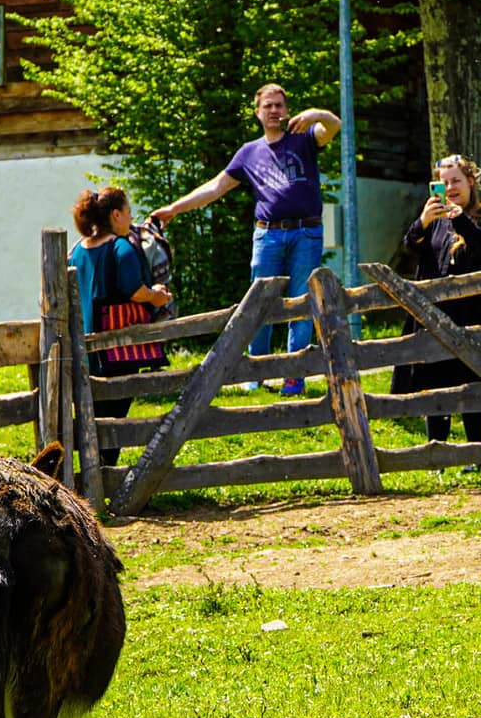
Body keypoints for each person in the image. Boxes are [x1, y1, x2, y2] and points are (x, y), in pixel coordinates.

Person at [153, 84, 341, 396]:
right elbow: (216, 187)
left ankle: (294, 376)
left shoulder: (304, 140)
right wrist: (174, 209)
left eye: (279, 105)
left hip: (305, 232)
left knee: (301, 301)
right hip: (267, 233)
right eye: (268, 106)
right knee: (259, 301)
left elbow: (333, 126)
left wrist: (316, 114)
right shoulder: (248, 152)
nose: (274, 111)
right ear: (257, 112)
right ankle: (258, 371)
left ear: (287, 109)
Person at [393, 154, 481, 453]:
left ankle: (476, 451)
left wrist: (460, 219)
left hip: (474, 314)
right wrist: (422, 221)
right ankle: (439, 451)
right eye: (444, 183)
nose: (451, 188)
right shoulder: (435, 222)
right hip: (436, 315)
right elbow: (409, 247)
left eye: (456, 181)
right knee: (435, 381)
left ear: (470, 181)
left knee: (473, 383)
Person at [69, 187, 172, 467]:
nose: (131, 218)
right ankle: (106, 476)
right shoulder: (120, 246)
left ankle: (91, 476)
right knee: (114, 418)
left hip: (82, 348)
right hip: (116, 350)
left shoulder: (77, 249)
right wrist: (157, 295)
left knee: (92, 414)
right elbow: (134, 290)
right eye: (128, 212)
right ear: (115, 214)